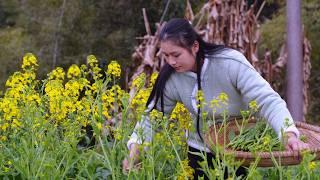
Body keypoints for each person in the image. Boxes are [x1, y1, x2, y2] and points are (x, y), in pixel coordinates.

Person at [123, 18, 309, 179]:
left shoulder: (229, 63)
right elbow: (152, 119)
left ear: (194, 46)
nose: (171, 62)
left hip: (239, 153)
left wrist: (288, 135)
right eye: (166, 55)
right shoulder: (171, 78)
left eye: (176, 55)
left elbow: (267, 101)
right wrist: (134, 154)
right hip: (199, 154)